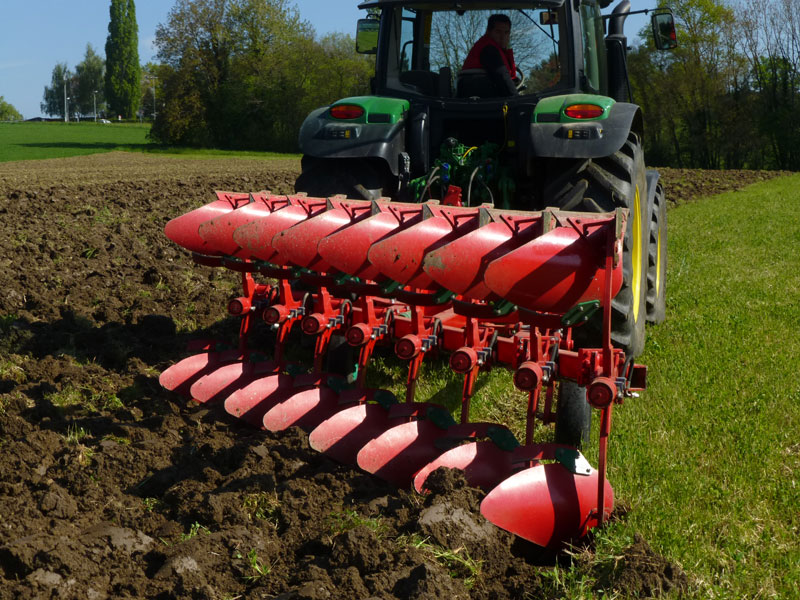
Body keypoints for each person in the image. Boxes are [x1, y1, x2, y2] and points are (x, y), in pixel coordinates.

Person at [459, 14, 519, 97]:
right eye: (498, 32)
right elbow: (503, 79)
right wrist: (517, 101)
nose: (503, 37)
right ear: (488, 31)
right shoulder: (489, 50)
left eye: (506, 32)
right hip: (481, 102)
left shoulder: (492, 48)